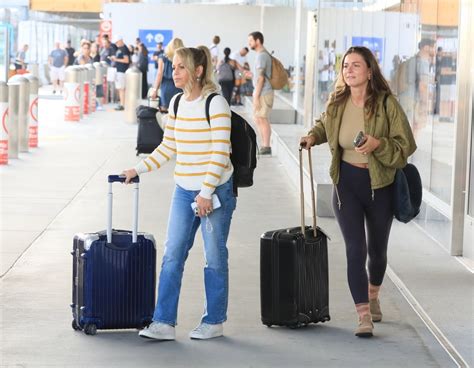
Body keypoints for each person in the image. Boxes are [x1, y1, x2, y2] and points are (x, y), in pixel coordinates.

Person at [300, 46, 416, 338]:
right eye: (345, 66)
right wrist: (313, 136)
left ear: (369, 71)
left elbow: (405, 147)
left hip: (380, 186)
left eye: (355, 66)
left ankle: (373, 294)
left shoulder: (387, 104)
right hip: (346, 185)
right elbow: (325, 125)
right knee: (356, 249)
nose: (348, 71)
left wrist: (378, 145)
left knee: (376, 252)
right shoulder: (337, 102)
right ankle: (364, 316)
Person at [122, 45, 236, 341]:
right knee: (173, 254)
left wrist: (206, 193)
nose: (175, 72)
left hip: (214, 190)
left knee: (214, 257)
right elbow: (168, 147)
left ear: (198, 71)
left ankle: (214, 321)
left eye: (181, 67)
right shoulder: (175, 102)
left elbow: (220, 153)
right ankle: (164, 322)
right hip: (184, 189)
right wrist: (138, 169)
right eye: (173, 67)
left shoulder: (216, 104)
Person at [248, 31, 274, 155]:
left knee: (262, 118)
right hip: (263, 91)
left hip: (264, 92)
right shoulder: (262, 55)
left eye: (251, 41)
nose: (249, 44)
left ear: (258, 41)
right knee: (259, 118)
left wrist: (256, 95)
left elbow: (261, 78)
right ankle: (265, 145)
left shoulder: (262, 56)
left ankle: (266, 146)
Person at [150, 37, 184, 112]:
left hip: (166, 86)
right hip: (180, 86)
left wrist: (155, 90)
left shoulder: (163, 57)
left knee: (165, 111)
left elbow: (159, 74)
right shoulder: (183, 58)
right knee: (178, 110)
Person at [110, 35, 130, 111]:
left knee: (121, 88)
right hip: (119, 70)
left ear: (121, 40)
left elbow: (126, 60)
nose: (116, 44)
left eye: (117, 42)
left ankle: (122, 105)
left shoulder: (124, 49)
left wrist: (116, 59)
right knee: (120, 88)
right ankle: (122, 103)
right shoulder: (120, 48)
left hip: (122, 71)